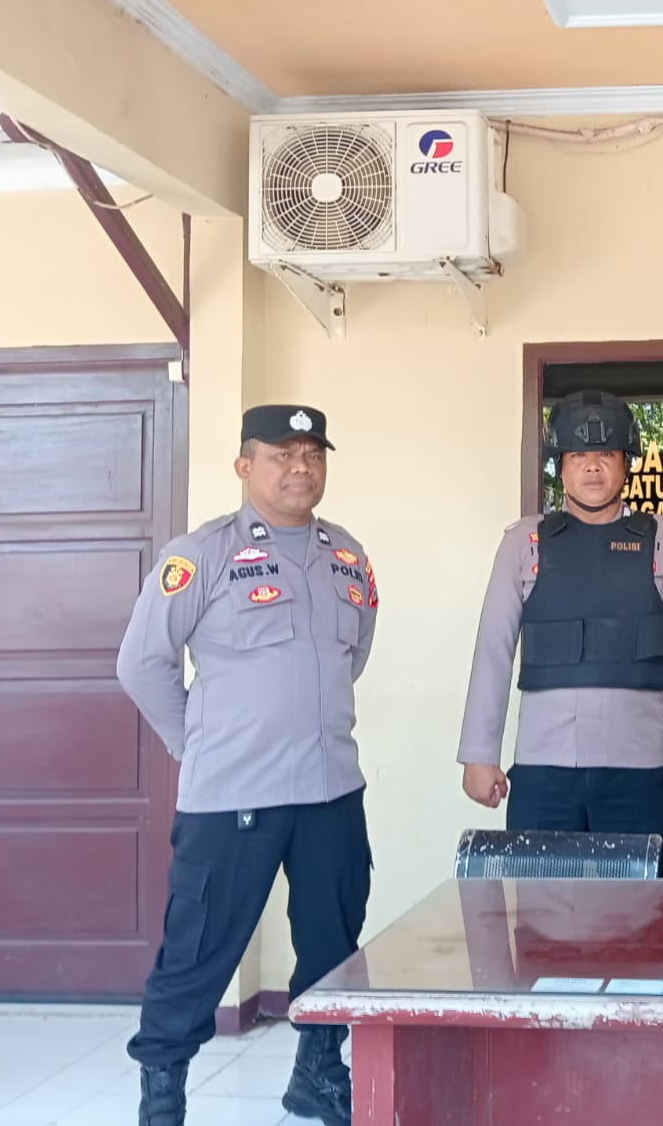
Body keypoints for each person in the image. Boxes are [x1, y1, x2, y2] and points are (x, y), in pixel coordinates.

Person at [116, 405, 377, 1126]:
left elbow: (352, 655)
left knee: (332, 941)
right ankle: (162, 1093)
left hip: (330, 789)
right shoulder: (201, 555)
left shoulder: (348, 555)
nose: (300, 467)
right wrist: (197, 742)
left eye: (312, 454)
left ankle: (317, 1072)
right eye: (281, 453)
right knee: (198, 950)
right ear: (244, 465)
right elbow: (141, 664)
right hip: (232, 794)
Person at [458, 390, 663, 877]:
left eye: (607, 454)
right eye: (579, 455)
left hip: (635, 768)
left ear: (627, 464)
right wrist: (479, 754)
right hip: (543, 766)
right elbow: (493, 648)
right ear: (560, 466)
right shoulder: (523, 541)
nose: (593, 467)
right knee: (539, 908)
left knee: (640, 910)